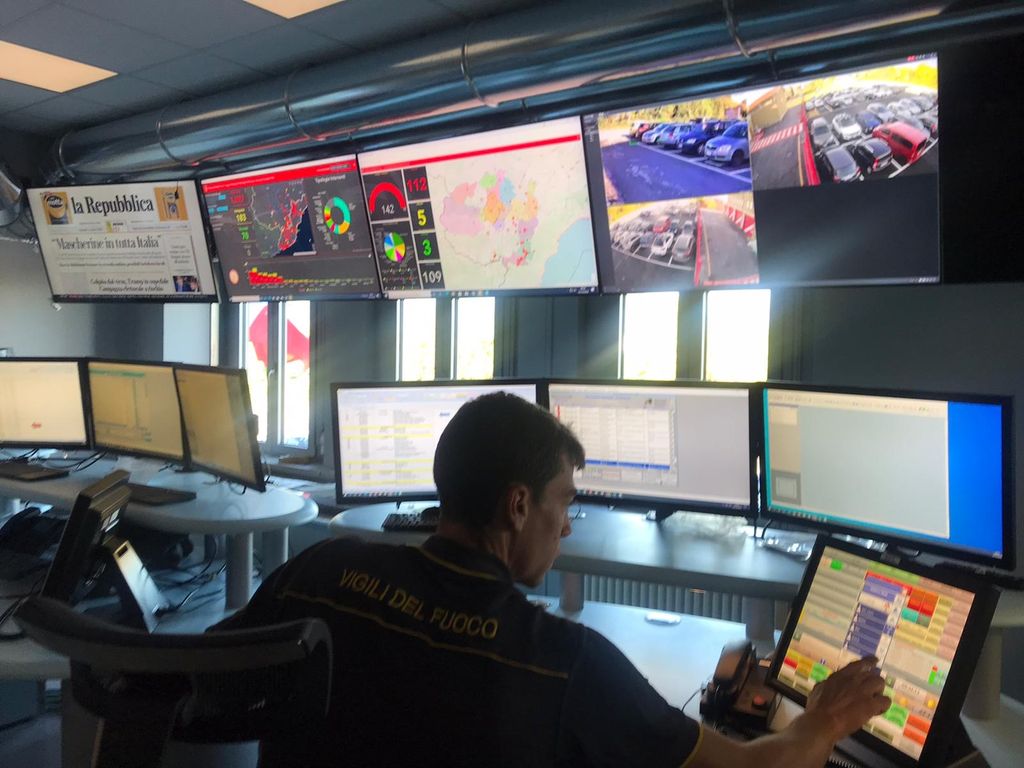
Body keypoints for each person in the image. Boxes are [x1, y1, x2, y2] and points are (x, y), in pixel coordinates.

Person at [215, 392, 889, 767]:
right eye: (563, 501)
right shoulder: (564, 662)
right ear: (518, 505)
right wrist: (822, 723)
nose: (566, 525)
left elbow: (202, 676)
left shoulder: (319, 570)